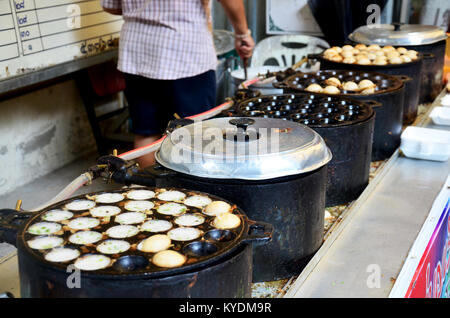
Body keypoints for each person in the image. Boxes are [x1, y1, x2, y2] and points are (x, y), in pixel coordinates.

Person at [101, 0, 255, 167]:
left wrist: (145, 12)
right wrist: (242, 33)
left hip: (138, 53)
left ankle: (154, 189)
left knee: (146, 133)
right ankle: (191, 191)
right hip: (185, 54)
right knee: (196, 135)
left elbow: (111, 6)